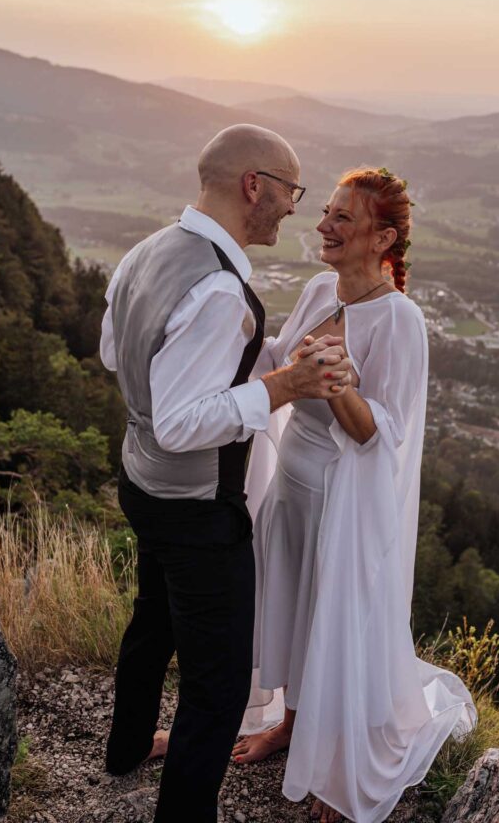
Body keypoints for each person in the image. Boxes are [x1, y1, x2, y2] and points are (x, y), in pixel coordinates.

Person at [99, 124, 352, 823]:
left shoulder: (149, 250)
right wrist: (284, 386)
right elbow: (183, 425)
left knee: (152, 621)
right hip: (196, 509)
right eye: (291, 191)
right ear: (254, 186)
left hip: (138, 481)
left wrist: (255, 360)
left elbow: (116, 357)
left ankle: (124, 749)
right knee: (214, 685)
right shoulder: (216, 289)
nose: (294, 208)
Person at [232, 167, 477, 823]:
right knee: (294, 606)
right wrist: (236, 326)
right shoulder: (316, 287)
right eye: (328, 213)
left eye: (343, 217)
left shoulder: (398, 321)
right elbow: (282, 359)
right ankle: (289, 725)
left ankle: (339, 769)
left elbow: (382, 434)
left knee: (337, 618)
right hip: (297, 481)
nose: (324, 225)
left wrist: (337, 384)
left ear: (383, 237)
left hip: (346, 497)